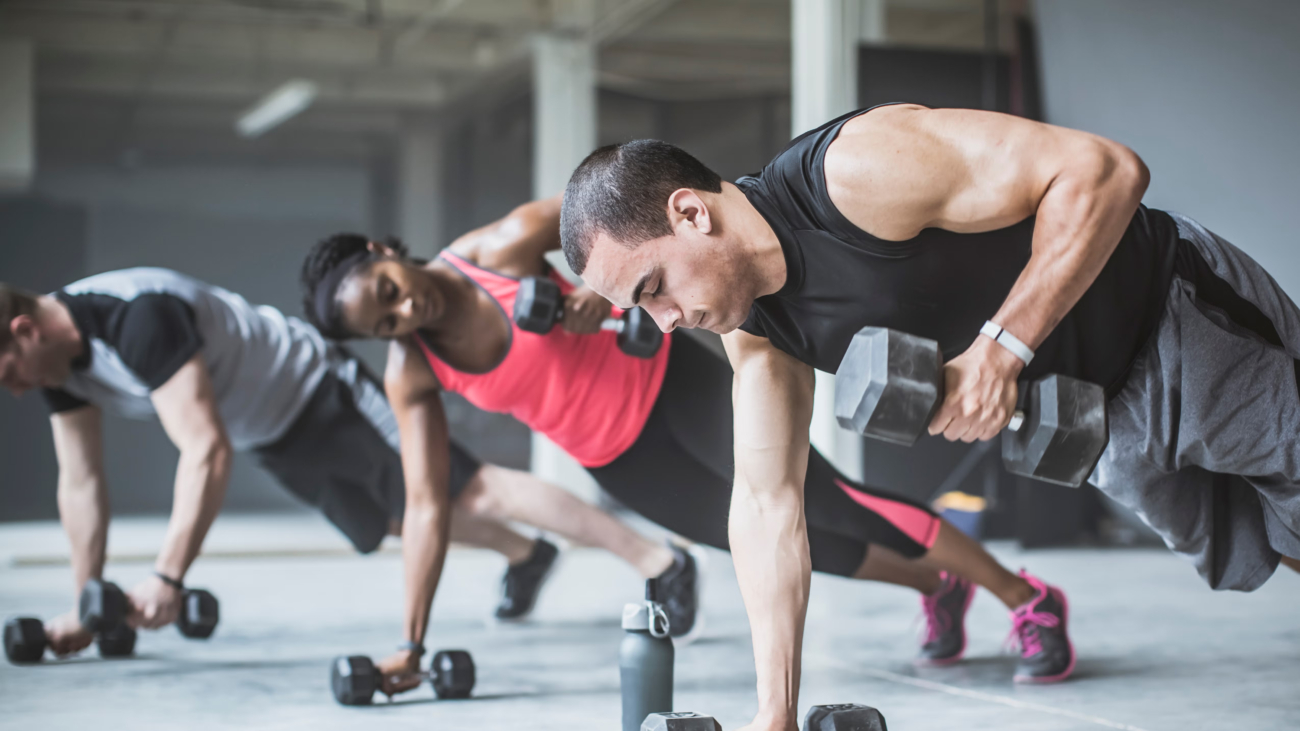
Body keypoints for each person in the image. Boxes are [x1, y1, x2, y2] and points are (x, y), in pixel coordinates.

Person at [560, 101, 1300, 730]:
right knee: (1250, 547)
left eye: (653, 287)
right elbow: (765, 505)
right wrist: (774, 713)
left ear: (691, 212)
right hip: (1091, 416)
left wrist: (1001, 349)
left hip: (1172, 313)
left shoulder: (854, 173)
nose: (662, 322)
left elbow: (1105, 170)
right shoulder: (756, 332)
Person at [300, 194, 1074, 698]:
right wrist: (411, 643)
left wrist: (591, 291)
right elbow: (427, 504)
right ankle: (937, 584)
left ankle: (1026, 598)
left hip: (674, 385)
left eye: (388, 290)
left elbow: (613, 222)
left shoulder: (497, 250)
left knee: (827, 502)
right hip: (622, 459)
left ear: (382, 250)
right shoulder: (413, 373)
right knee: (781, 548)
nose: (406, 311)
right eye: (386, 323)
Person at [0, 270, 681, 658]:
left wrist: (166, 576)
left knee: (467, 489)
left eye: (7, 373)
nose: (15, 390)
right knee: (388, 521)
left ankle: (659, 560)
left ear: (23, 332)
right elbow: (81, 482)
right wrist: (88, 604)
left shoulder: (136, 319)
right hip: (273, 432)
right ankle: (527, 555)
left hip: (317, 388)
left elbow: (205, 450)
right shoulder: (59, 367)